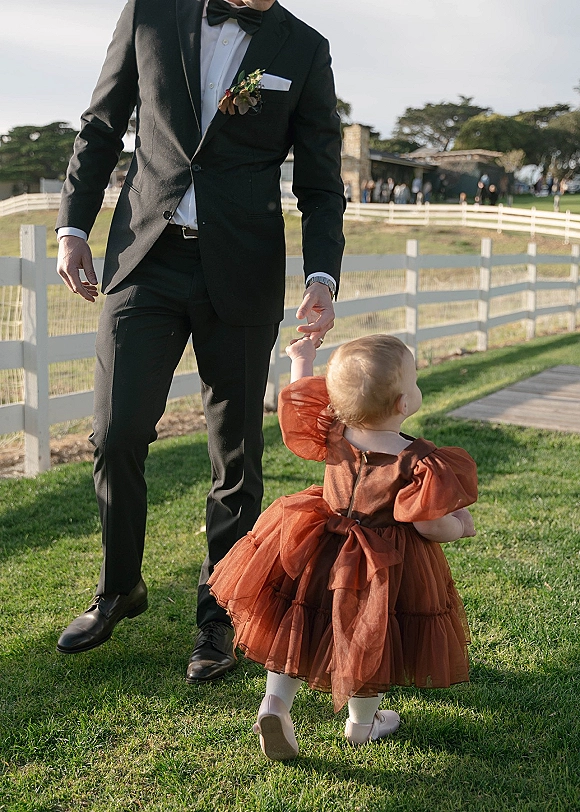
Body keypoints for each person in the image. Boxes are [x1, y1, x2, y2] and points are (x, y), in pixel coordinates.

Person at [54, 0, 345, 685]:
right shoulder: (150, 12)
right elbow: (101, 125)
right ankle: (119, 587)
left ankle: (219, 617)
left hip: (241, 270)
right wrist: (73, 227)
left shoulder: (303, 48)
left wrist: (322, 274)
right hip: (144, 261)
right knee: (115, 431)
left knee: (235, 453)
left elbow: (320, 178)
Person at [209, 334, 478, 759]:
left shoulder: (337, 430)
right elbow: (429, 526)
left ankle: (275, 704)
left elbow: (300, 398)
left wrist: (303, 358)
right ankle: (361, 724)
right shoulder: (416, 460)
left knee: (300, 621)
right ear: (402, 405)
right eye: (414, 379)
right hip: (379, 565)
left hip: (318, 547)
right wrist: (460, 525)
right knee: (369, 636)